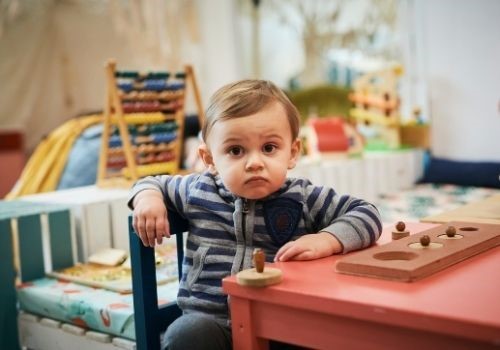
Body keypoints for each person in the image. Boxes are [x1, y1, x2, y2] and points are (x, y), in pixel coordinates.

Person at [129, 79, 382, 350]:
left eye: (269, 148)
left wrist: (326, 240)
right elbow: (150, 182)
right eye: (235, 151)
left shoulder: (303, 197)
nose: (254, 163)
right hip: (213, 328)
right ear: (210, 159)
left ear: (293, 152)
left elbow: (367, 214)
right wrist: (148, 198)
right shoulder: (198, 189)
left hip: (279, 328)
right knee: (185, 334)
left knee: (329, 334)